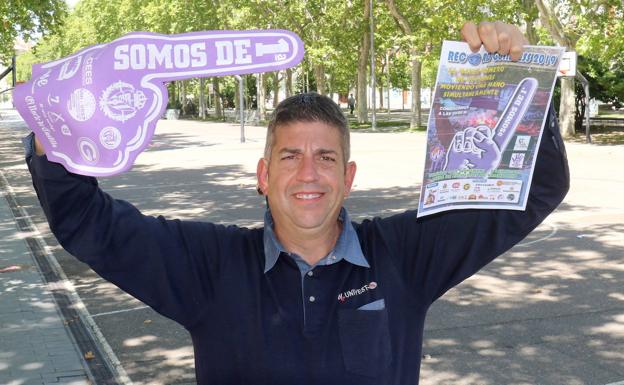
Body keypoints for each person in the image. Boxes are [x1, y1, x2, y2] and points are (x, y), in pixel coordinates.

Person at [24, 22, 569, 385]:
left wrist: (524, 72)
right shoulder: (209, 266)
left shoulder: (407, 254)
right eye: (289, 157)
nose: (309, 174)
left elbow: (535, 192)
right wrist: (55, 127)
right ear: (263, 175)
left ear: (349, 176)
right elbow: (86, 222)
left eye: (327, 158)